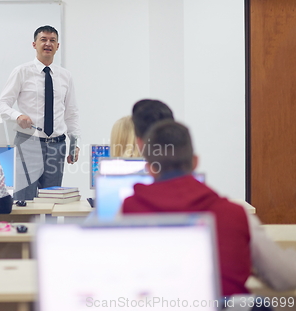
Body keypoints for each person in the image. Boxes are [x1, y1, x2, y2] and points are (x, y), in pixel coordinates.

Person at [122, 120, 296, 300]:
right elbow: (285, 277)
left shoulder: (128, 213)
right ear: (195, 162)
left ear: (150, 168)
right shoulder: (235, 214)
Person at [0, 25, 81, 200]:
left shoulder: (65, 76)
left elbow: (72, 113)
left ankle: (49, 229)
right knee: (24, 201)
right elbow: (3, 105)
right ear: (34, 44)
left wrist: (75, 144)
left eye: (52, 40)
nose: (48, 44)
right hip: (29, 143)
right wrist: (18, 116)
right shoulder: (22, 72)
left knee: (52, 201)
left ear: (58, 46)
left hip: (57, 146)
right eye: (43, 40)